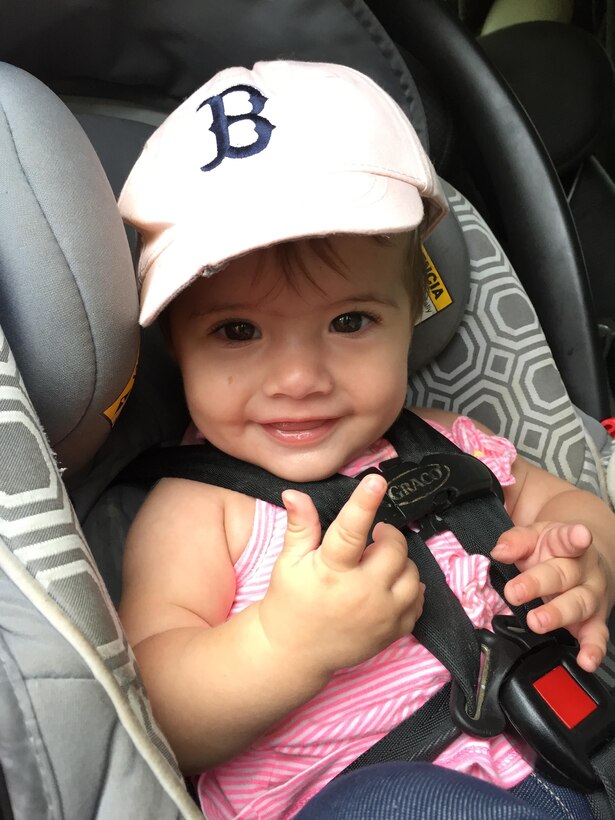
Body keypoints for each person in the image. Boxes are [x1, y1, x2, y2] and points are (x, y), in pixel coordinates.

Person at [117, 60, 615, 819]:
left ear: (409, 312)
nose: (297, 376)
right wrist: (285, 643)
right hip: (363, 793)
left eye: (348, 322)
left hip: (565, 742)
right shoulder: (197, 511)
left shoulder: (452, 442)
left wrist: (584, 555)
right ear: (178, 347)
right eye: (237, 331)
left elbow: (569, 504)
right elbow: (156, 712)